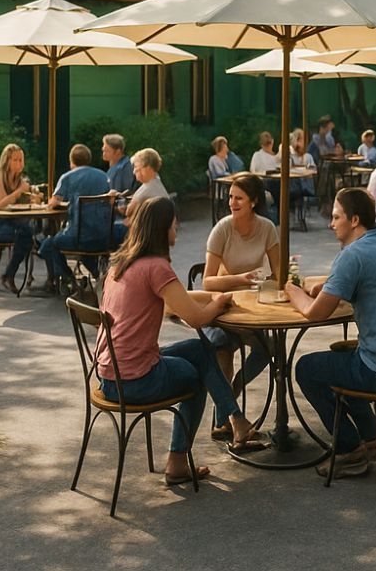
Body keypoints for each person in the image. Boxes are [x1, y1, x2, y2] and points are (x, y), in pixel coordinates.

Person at [96, 196, 268, 487]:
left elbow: (181, 300)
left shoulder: (122, 264)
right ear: (163, 229)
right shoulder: (156, 267)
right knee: (195, 374)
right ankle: (180, 460)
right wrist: (219, 304)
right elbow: (197, 319)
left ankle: (236, 421)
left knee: (198, 349)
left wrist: (213, 299)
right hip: (134, 380)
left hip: (109, 375)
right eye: (175, 225)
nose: (177, 229)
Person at [290, 188, 376, 479]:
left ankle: (350, 450)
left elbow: (315, 313)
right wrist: (328, 285)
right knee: (345, 354)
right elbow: (370, 279)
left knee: (306, 368)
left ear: (353, 220)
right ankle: (370, 441)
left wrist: (291, 291)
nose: (330, 223)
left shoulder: (353, 255)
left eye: (336, 217)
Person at [199, 173, 278, 438]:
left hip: (252, 306)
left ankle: (232, 392)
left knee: (268, 349)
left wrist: (273, 283)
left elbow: (278, 275)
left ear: (254, 201)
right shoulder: (222, 229)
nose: (232, 202)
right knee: (222, 345)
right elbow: (208, 282)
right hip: (222, 306)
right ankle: (226, 420)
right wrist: (241, 279)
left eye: (238, 198)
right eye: (230, 197)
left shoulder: (267, 228)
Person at [40, 143, 125, 290]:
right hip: (104, 236)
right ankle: (98, 276)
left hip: (79, 238)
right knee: (88, 242)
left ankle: (69, 279)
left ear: (71, 161)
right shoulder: (103, 176)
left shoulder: (67, 177)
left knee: (48, 245)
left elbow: (53, 203)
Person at [0, 143, 42, 295]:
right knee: (26, 236)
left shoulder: (21, 180)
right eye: (15, 160)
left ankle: (8, 275)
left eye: (21, 160)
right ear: (6, 161)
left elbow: (29, 197)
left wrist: (35, 196)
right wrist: (18, 192)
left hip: (14, 225)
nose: (19, 163)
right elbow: (0, 204)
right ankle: (9, 276)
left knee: (27, 234)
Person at [125, 148, 169, 220]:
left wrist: (114, 202)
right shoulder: (156, 182)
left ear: (148, 168)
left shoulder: (148, 188)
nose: (134, 171)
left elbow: (128, 212)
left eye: (136, 167)